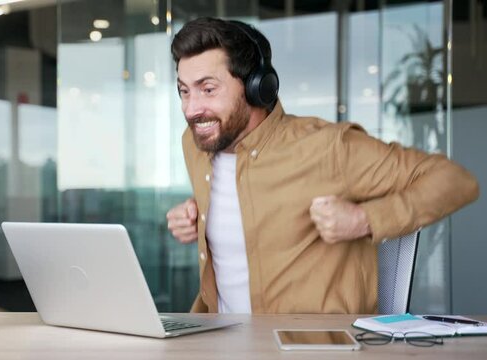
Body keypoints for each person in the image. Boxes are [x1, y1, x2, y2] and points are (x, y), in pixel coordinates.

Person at [166, 17, 479, 314]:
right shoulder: (196, 144)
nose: (192, 109)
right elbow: (245, 202)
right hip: (216, 338)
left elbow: (455, 181)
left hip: (309, 347)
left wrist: (364, 219)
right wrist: (199, 213)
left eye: (208, 89)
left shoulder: (330, 148)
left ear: (256, 87)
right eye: (184, 91)